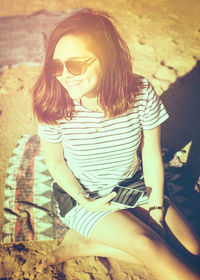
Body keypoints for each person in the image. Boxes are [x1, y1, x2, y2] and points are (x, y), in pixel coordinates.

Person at [32, 8, 200, 280]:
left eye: (75, 64)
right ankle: (84, 236)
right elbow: (55, 161)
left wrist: (156, 208)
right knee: (147, 244)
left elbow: (151, 154)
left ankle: (86, 244)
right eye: (56, 65)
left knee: (193, 248)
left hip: (131, 185)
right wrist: (85, 200)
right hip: (84, 196)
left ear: (108, 58)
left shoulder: (140, 92)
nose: (64, 74)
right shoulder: (54, 101)